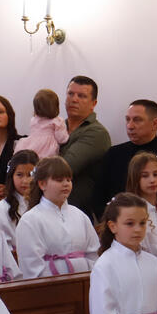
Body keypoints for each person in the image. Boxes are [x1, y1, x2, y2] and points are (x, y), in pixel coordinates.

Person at [96, 100, 157, 218]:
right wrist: (110, 221)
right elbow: (98, 195)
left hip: (153, 220)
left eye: (137, 120)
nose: (130, 126)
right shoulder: (114, 154)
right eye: (128, 119)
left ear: (155, 123)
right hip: (115, 222)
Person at [15, 156, 98, 279]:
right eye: (59, 180)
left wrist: (90, 277)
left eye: (68, 180)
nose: (66, 184)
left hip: (85, 282)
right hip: (50, 285)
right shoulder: (30, 220)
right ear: (42, 184)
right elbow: (31, 264)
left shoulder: (80, 215)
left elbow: (93, 253)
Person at [59, 75, 111, 215]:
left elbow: (63, 168)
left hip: (77, 212)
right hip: (48, 206)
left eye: (81, 96)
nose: (74, 99)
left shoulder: (97, 133)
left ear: (93, 103)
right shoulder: (57, 127)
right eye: (70, 94)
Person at [0, 150, 38, 250]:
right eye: (19, 175)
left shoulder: (43, 203)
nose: (25, 181)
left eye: (30, 175)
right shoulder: (1, 209)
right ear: (11, 175)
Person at [15, 88, 67, 158]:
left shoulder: (33, 120)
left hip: (31, 145)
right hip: (47, 149)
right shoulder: (57, 121)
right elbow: (61, 139)